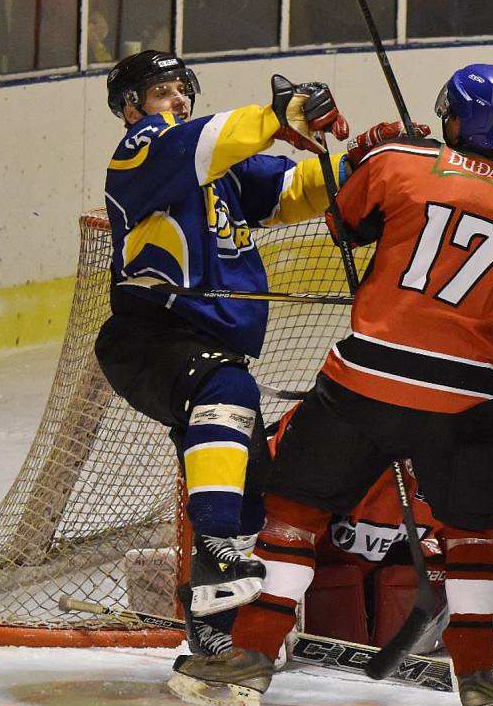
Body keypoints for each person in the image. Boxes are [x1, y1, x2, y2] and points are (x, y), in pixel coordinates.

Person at [170, 63, 493, 706]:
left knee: (294, 514)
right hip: (467, 396)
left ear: (448, 113)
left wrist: (383, 167)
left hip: (365, 380)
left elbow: (341, 226)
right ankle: (477, 674)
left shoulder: (396, 158)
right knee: (472, 535)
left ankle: (251, 654)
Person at [94, 50, 352, 651]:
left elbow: (290, 190)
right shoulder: (142, 152)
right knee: (226, 389)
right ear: (131, 107)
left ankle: (212, 627)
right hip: (150, 337)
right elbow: (199, 143)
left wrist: (365, 162)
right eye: (161, 91)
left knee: (249, 499)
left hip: (207, 346)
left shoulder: (221, 169)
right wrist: (275, 113)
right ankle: (211, 559)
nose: (178, 99)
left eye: (182, 88)